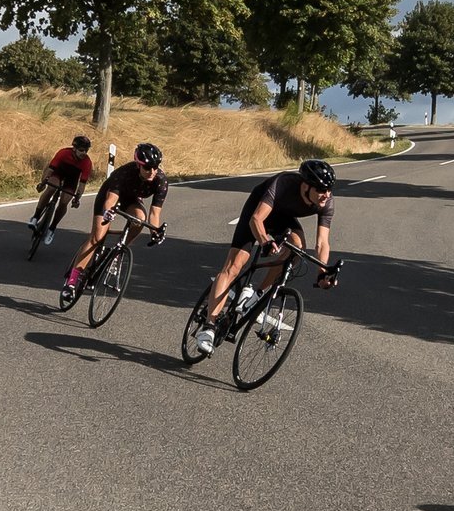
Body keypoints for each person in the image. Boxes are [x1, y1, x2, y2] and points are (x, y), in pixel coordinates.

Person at [190, 157, 339, 355]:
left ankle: (257, 294)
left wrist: (322, 271)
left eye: (329, 190)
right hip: (257, 211)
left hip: (282, 218)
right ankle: (209, 326)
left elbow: (322, 242)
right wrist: (265, 241)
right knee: (235, 265)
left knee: (297, 248)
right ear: (305, 186)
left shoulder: (327, 202)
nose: (325, 195)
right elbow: (257, 219)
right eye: (321, 190)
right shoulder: (284, 183)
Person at [61, 142, 171, 304]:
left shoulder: (161, 181)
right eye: (147, 168)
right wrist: (108, 212)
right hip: (109, 196)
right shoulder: (125, 174)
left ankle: (119, 252)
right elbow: (110, 200)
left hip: (132, 200)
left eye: (155, 167)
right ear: (138, 165)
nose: (152, 172)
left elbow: (154, 213)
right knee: (97, 238)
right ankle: (72, 281)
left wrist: (155, 232)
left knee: (139, 219)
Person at [37, 135, 96, 223]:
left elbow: (82, 184)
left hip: (71, 180)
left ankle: (52, 228)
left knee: (64, 202)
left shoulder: (87, 162)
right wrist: (43, 183)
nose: (83, 153)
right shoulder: (64, 153)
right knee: (51, 188)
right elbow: (50, 169)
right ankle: (35, 216)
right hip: (58, 173)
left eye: (86, 151)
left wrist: (77, 199)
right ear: (74, 149)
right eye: (81, 150)